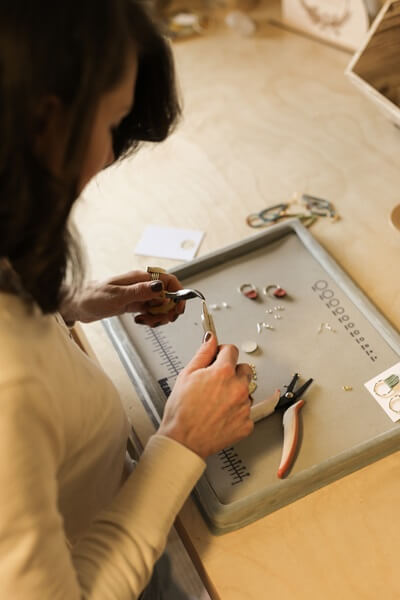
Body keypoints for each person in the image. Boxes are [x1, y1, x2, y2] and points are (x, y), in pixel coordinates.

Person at [0, 1, 255, 598]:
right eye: (113, 124)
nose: (110, 157)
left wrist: (66, 304)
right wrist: (181, 444)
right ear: (46, 127)